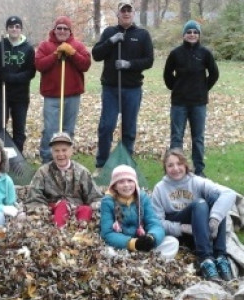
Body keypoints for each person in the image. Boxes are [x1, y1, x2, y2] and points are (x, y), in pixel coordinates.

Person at [152, 148, 235, 281]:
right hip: (180, 231)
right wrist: (182, 228)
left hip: (202, 230)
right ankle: (205, 260)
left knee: (217, 199)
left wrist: (215, 220)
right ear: (165, 168)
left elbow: (229, 194)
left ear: (185, 165)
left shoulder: (196, 181)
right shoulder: (159, 188)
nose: (176, 168)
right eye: (170, 165)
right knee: (200, 203)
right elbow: (157, 222)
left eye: (179, 163)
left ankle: (220, 256)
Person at [92, 0, 154, 175]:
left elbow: (149, 60)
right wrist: (111, 41)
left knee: (129, 128)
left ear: (133, 14)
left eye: (129, 10)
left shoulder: (142, 34)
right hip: (111, 88)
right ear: (118, 14)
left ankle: (126, 164)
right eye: (123, 11)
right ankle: (101, 164)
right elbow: (96, 55)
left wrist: (129, 64)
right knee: (107, 126)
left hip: (132, 88)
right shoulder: (109, 32)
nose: (126, 13)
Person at [163, 20, 219, 177]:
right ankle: (176, 170)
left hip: (198, 103)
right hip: (179, 102)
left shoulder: (205, 53)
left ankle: (199, 170)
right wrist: (176, 87)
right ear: (184, 35)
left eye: (195, 32)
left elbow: (214, 74)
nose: (192, 35)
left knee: (198, 138)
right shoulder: (175, 53)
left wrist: (203, 88)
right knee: (176, 137)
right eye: (189, 32)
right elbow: (167, 75)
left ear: (199, 35)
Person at [35, 16, 91, 164]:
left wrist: (72, 53)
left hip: (72, 95)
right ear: (54, 30)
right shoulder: (45, 46)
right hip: (52, 95)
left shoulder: (77, 46)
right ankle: (47, 159)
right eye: (59, 28)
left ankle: (64, 159)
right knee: (50, 129)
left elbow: (85, 65)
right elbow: (39, 65)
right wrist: (54, 55)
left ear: (70, 31)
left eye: (65, 28)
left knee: (68, 130)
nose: (62, 31)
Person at [100, 165, 179, 259]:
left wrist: (151, 238)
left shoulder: (143, 198)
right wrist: (133, 243)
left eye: (130, 180)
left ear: (135, 183)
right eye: (121, 182)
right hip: (122, 245)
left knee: (172, 242)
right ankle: (133, 261)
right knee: (108, 252)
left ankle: (150, 259)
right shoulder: (108, 201)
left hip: (143, 240)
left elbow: (154, 223)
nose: (126, 185)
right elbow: (107, 233)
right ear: (115, 186)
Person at [26, 132, 102, 228]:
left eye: (64, 150)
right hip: (52, 213)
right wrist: (46, 210)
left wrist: (94, 205)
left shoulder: (82, 172)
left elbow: (95, 197)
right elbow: (33, 199)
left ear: (71, 151)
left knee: (86, 210)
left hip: (77, 211)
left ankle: (79, 235)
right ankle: (59, 231)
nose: (60, 154)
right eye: (56, 151)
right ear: (52, 152)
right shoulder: (43, 172)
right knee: (62, 206)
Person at [0, 16, 36, 153]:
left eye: (17, 26)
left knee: (19, 129)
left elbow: (31, 72)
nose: (14, 29)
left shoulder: (28, 49)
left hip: (20, 95)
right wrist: (0, 74)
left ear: (21, 29)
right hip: (2, 94)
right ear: (7, 29)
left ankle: (17, 157)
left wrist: (13, 78)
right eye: (11, 26)